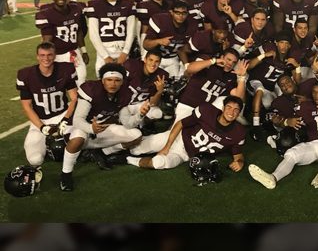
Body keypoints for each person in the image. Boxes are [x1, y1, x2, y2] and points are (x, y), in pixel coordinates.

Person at [248, 81, 318, 189]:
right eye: (314, 92)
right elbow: (289, 122)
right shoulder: (304, 107)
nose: (317, 95)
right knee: (291, 153)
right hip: (313, 145)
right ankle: (273, 178)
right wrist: (286, 121)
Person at [59, 63, 144, 191]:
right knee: (78, 138)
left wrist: (140, 115)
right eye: (109, 80)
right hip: (79, 129)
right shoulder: (91, 89)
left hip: (100, 130)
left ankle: (102, 153)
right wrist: (91, 129)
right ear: (102, 80)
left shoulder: (124, 94)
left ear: (122, 82)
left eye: (117, 80)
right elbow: (77, 120)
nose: (113, 84)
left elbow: (127, 122)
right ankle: (66, 175)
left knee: (136, 135)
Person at [126, 95, 247, 173]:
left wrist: (240, 163)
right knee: (135, 148)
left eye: (236, 110)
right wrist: (167, 147)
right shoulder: (207, 111)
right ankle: (119, 147)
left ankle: (129, 160)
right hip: (179, 138)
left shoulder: (238, 132)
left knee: (158, 163)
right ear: (223, 108)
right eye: (229, 107)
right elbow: (180, 123)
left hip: (185, 155)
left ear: (239, 113)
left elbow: (238, 155)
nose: (232, 112)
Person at [16, 42, 78, 167]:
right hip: (40, 120)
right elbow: (26, 106)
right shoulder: (26, 75)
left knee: (81, 139)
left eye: (50, 55)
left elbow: (74, 98)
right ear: (37, 56)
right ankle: (48, 142)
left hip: (62, 116)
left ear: (55, 56)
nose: (46, 58)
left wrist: (66, 119)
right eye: (42, 55)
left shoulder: (65, 69)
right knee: (35, 160)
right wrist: (41, 127)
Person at [35, 0, 89, 85]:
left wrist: (84, 51)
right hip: (57, 55)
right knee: (58, 85)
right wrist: (45, 58)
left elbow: (79, 32)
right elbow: (47, 40)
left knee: (81, 79)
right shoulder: (47, 13)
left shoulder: (76, 8)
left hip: (73, 52)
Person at [84, 0, 136, 76]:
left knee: (124, 83)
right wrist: (105, 56)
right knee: (103, 83)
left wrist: (125, 53)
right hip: (104, 49)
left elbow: (131, 31)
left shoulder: (127, 4)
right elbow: (93, 35)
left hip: (122, 49)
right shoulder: (95, 4)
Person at [143, 0, 198, 78]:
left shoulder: (192, 25)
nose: (180, 16)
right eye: (177, 13)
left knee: (175, 83)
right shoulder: (160, 21)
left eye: (184, 13)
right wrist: (159, 41)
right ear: (171, 12)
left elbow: (182, 50)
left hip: (173, 59)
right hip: (154, 57)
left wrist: (187, 66)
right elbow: (145, 45)